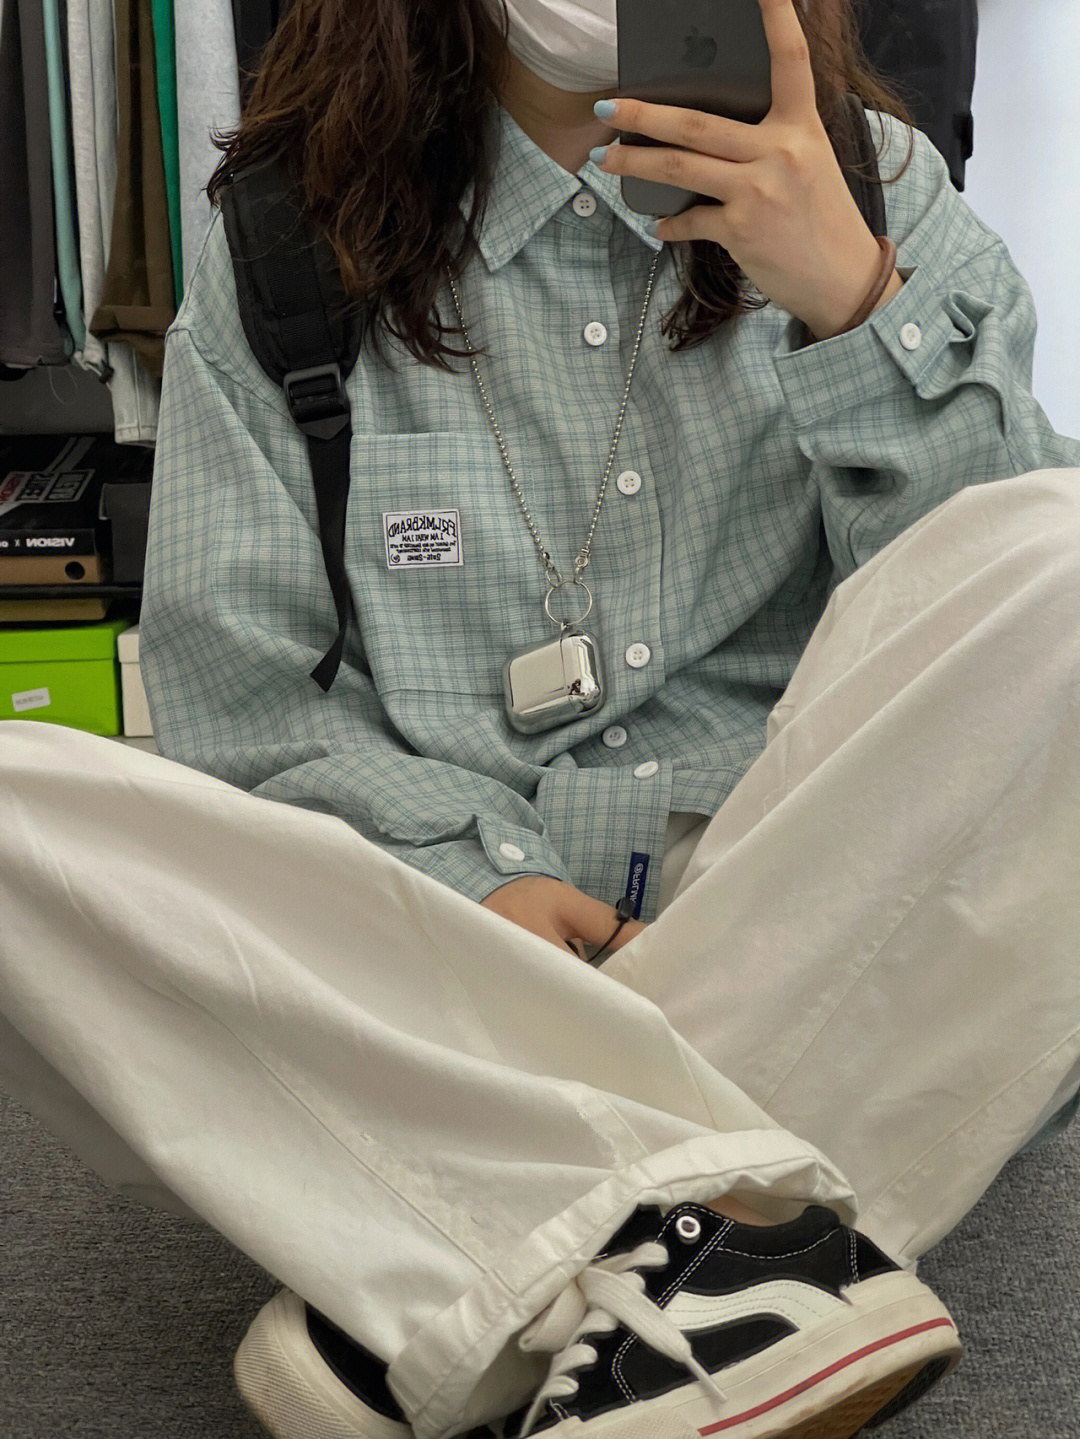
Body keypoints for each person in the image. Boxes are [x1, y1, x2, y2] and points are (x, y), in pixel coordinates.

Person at [2, 1, 1080, 1437]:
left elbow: (985, 646)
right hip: (444, 942)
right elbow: (246, 705)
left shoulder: (872, 183)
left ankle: (483, 1262)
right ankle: (736, 1248)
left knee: (1068, 557)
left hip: (793, 890)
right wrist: (475, 876)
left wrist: (855, 302)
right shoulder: (284, 235)